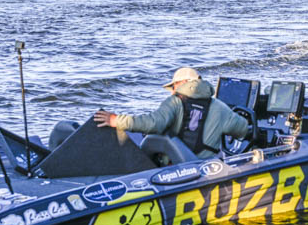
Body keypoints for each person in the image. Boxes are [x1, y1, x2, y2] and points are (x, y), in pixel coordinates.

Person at [93, 67, 249, 159]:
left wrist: (116, 120)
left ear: (183, 84)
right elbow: (243, 129)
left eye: (174, 86)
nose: (172, 91)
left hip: (178, 167)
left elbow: (154, 123)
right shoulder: (220, 107)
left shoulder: (174, 102)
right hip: (205, 169)